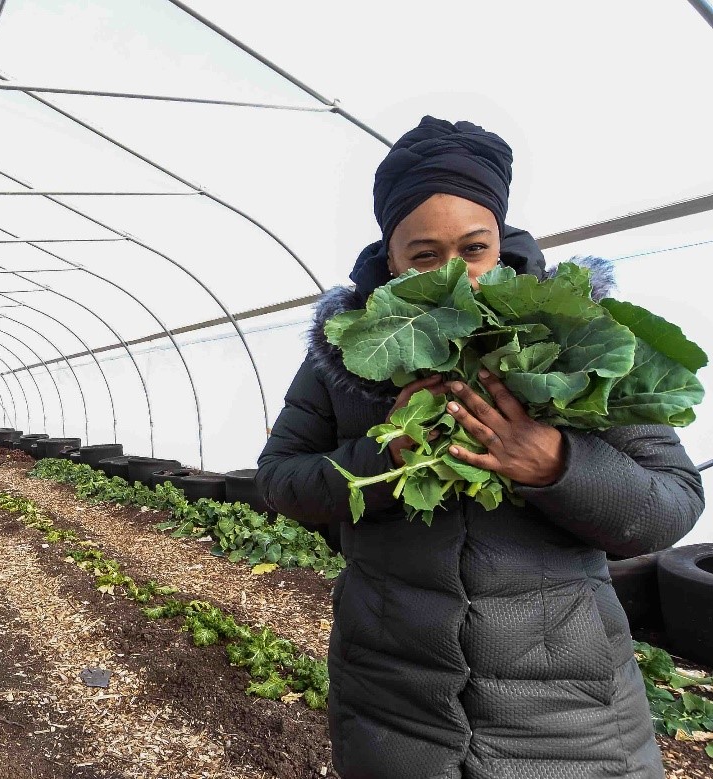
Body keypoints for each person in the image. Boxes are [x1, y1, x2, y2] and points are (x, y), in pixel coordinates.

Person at [256, 116, 704, 779]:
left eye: (472, 249)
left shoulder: (573, 336)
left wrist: (554, 463)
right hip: (395, 709)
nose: (454, 279)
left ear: (498, 239)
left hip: (569, 723)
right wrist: (386, 458)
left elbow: (671, 503)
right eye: (423, 255)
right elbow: (278, 482)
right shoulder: (346, 354)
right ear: (390, 255)